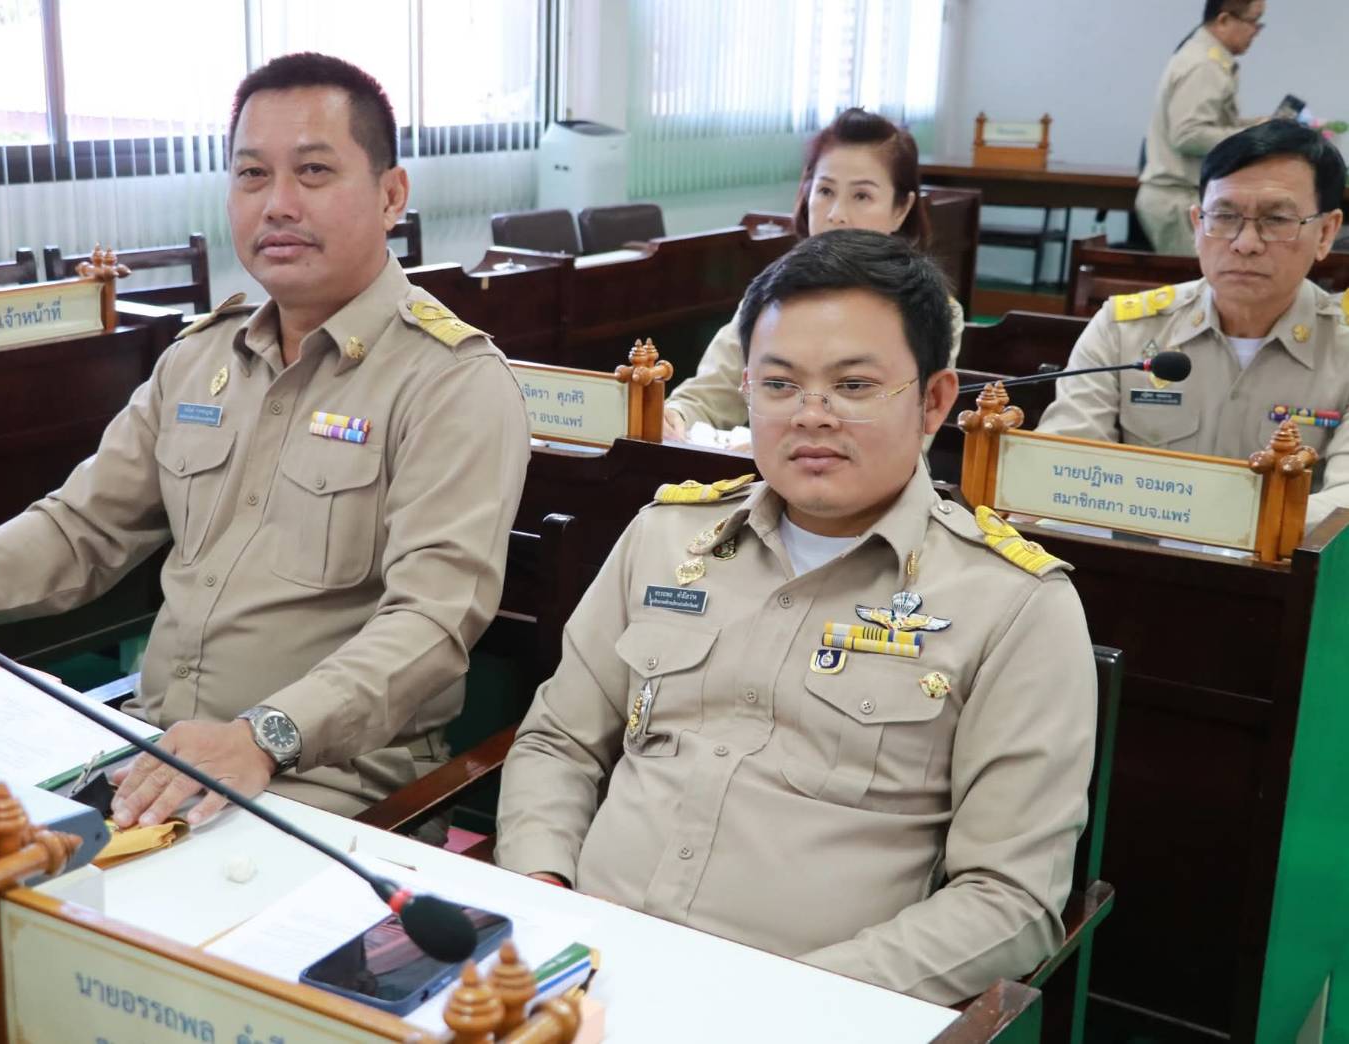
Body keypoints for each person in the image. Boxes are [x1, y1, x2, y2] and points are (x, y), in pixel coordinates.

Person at [0, 53, 530, 830]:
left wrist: (264, 737)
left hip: (324, 793)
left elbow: (431, 623)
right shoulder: (200, 359)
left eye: (313, 171)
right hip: (146, 758)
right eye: (252, 175)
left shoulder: (451, 383)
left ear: (391, 195)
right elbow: (77, 530)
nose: (278, 204)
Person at [497, 229, 1096, 1004]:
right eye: (779, 385)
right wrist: (543, 891)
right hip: (575, 969)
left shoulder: (1014, 605)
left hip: (806, 1010)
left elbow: (1009, 900)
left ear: (934, 401)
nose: (812, 416)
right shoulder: (666, 537)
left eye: (854, 386)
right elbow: (559, 741)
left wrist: (790, 1001)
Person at [1040, 120, 1348, 530]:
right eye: (1224, 216)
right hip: (1133, 555)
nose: (1245, 243)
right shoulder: (1123, 329)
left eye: (1277, 219)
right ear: (1197, 224)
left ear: (1326, 233)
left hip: (1284, 566)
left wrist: (1220, 526)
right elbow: (1064, 463)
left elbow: (1344, 503)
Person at [663, 108, 965, 445]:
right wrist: (675, 417)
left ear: (901, 208)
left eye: (862, 196)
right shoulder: (773, 296)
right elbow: (705, 397)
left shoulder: (932, 309)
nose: (837, 214)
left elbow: (908, 440)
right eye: (825, 191)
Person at [1136, 0, 1266, 255]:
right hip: (1177, 199)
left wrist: (1257, 125)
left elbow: (1209, 125)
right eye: (1253, 21)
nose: (1256, 31)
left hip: (1181, 196)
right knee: (1199, 279)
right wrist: (1252, 138)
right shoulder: (1204, 65)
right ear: (1224, 20)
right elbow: (1188, 135)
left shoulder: (1208, 57)